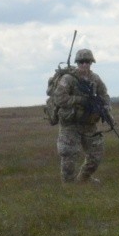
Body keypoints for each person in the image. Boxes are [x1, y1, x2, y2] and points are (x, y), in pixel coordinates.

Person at [45, 47, 111, 183]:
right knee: (68, 155)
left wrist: (106, 109)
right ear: (77, 63)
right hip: (70, 124)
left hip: (88, 124)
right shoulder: (68, 79)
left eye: (88, 62)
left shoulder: (95, 79)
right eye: (81, 62)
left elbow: (104, 95)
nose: (84, 65)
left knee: (95, 156)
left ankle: (82, 181)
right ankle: (69, 188)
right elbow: (59, 99)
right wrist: (80, 100)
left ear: (91, 63)